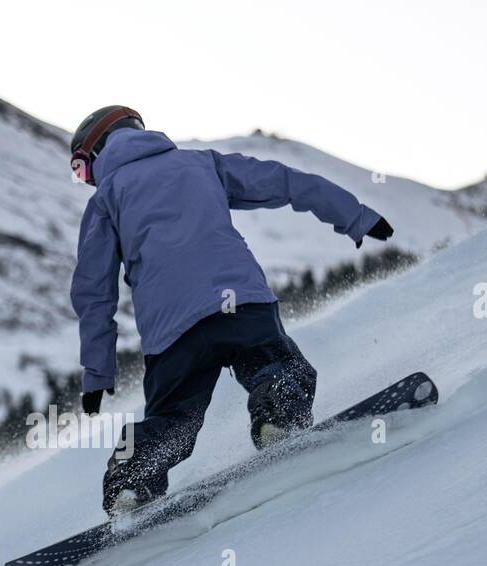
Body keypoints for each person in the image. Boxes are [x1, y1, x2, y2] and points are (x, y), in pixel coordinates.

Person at [69, 105, 394, 516]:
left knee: (171, 420)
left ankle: (130, 484)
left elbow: (93, 293)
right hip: (239, 303)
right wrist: (356, 216)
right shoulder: (200, 163)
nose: (85, 181)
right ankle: (277, 417)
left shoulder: (105, 200)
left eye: (82, 170)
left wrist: (98, 373)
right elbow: (285, 181)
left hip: (172, 333)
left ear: (97, 152)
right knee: (276, 368)